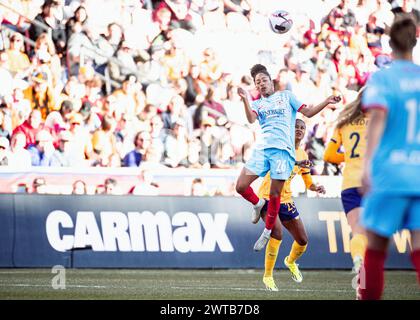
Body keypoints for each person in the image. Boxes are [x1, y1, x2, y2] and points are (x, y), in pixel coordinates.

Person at [235, 64, 341, 251]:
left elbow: (307, 113)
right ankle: (258, 203)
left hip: (283, 152)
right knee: (241, 186)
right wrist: (245, 99)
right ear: (256, 87)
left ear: (272, 82)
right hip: (263, 149)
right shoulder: (257, 104)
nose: (261, 84)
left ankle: (267, 232)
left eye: (264, 80)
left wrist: (327, 101)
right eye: (258, 82)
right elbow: (251, 120)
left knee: (275, 194)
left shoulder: (286, 97)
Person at [358, 16, 420, 300]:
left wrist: (367, 166)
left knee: (376, 250)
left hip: (390, 174)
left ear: (389, 44)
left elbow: (378, 119)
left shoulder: (382, 78)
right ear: (414, 42)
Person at [257, 119, 326, 291]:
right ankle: (268, 277)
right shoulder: (281, 147)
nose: (299, 130)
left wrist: (315, 187)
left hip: (286, 200)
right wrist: (297, 163)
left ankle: (290, 261)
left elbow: (307, 180)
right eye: (296, 126)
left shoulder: (303, 154)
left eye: (302, 128)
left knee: (302, 240)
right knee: (277, 233)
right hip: (268, 197)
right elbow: (280, 164)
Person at [323, 89, 368, 274]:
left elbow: (328, 155)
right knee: (372, 236)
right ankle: (365, 273)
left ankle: (359, 263)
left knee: (358, 232)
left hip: (350, 184)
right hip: (373, 184)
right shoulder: (381, 123)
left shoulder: (344, 123)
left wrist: (349, 157)